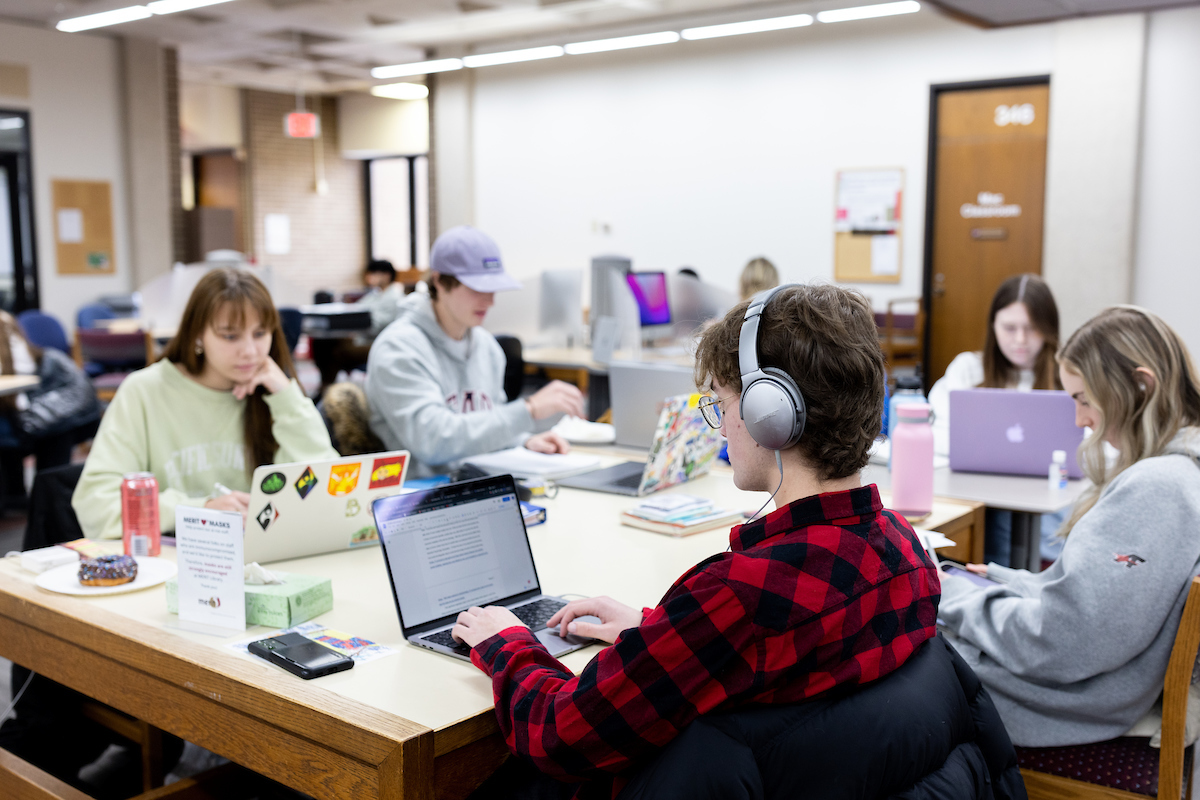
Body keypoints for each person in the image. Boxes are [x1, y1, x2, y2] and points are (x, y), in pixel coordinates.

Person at [450, 284, 943, 798]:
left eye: (723, 403)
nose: (720, 424)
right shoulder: (905, 550)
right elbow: (776, 658)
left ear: (770, 413)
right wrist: (656, 631)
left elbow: (559, 735)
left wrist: (504, 641)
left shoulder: (741, 596)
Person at [938, 305, 1200, 748]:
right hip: (1087, 685)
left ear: (1141, 385)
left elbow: (1058, 642)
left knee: (896, 639)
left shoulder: (1158, 488)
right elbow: (1095, 603)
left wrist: (946, 592)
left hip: (1062, 701)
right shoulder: (1179, 474)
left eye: (1083, 400)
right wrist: (1004, 581)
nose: (1080, 420)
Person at [72, 267, 338, 538]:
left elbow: (326, 492)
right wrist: (200, 511)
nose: (249, 351)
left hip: (265, 561)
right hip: (172, 564)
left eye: (260, 334)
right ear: (198, 334)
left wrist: (287, 399)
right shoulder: (145, 391)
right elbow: (96, 504)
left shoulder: (274, 394)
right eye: (230, 336)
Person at [366, 225, 584, 477]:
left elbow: (486, 426)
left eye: (493, 289)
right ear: (439, 281)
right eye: (477, 288)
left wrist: (522, 441)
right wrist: (529, 409)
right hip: (420, 497)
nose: (490, 301)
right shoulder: (398, 349)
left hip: (479, 485)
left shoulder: (486, 347)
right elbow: (433, 442)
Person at [927, 273, 1062, 564]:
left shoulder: (1068, 378)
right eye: (1009, 328)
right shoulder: (967, 370)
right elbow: (935, 433)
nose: (1020, 340)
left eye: (1032, 328)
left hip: (1046, 501)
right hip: (977, 496)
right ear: (993, 326)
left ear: (1049, 330)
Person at [0, 311, 100, 484]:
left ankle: (35, 499)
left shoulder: (49, 361)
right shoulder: (44, 357)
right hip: (44, 418)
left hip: (47, 418)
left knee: (55, 431)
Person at [356, 259, 406, 335]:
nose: (370, 277)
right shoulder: (376, 293)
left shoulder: (395, 297)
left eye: (374, 274)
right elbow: (358, 308)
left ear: (387, 275)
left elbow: (382, 324)